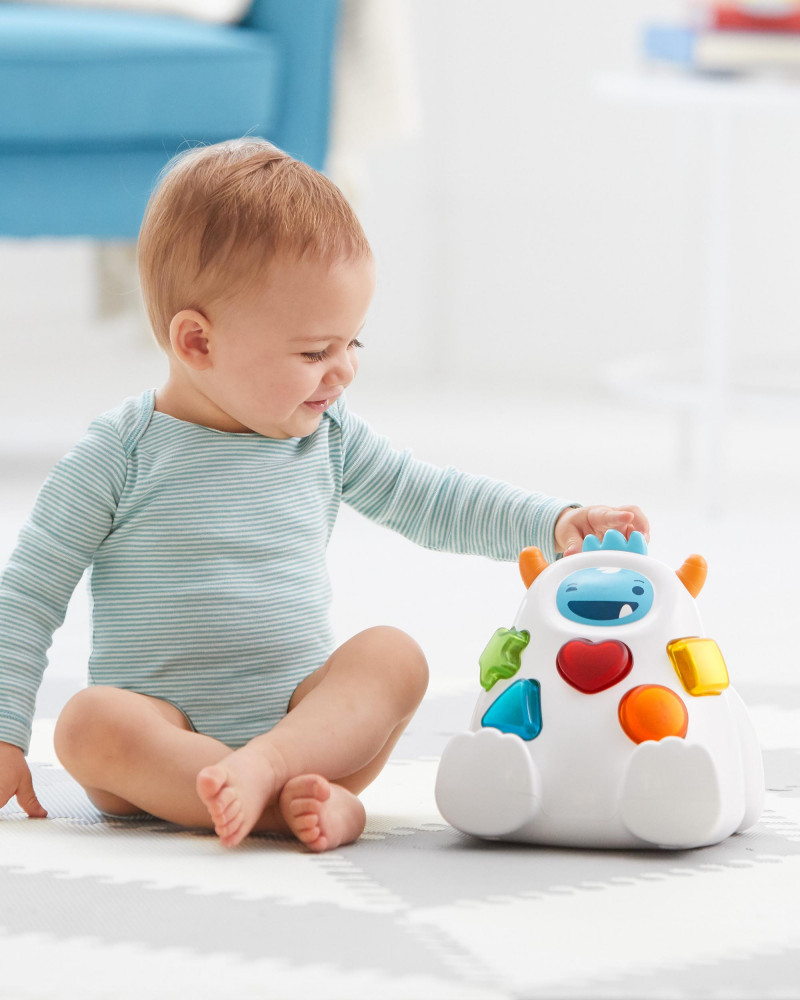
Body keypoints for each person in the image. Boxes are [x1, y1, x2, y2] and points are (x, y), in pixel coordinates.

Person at [0, 139, 648, 853]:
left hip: (308, 732)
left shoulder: (328, 436)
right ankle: (281, 807)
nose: (342, 372)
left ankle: (267, 775)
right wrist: (4, 732)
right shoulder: (119, 453)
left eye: (352, 344)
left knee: (394, 656)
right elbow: (29, 593)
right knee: (87, 724)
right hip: (159, 750)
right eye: (314, 352)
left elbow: (431, 499)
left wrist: (552, 523)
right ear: (197, 343)